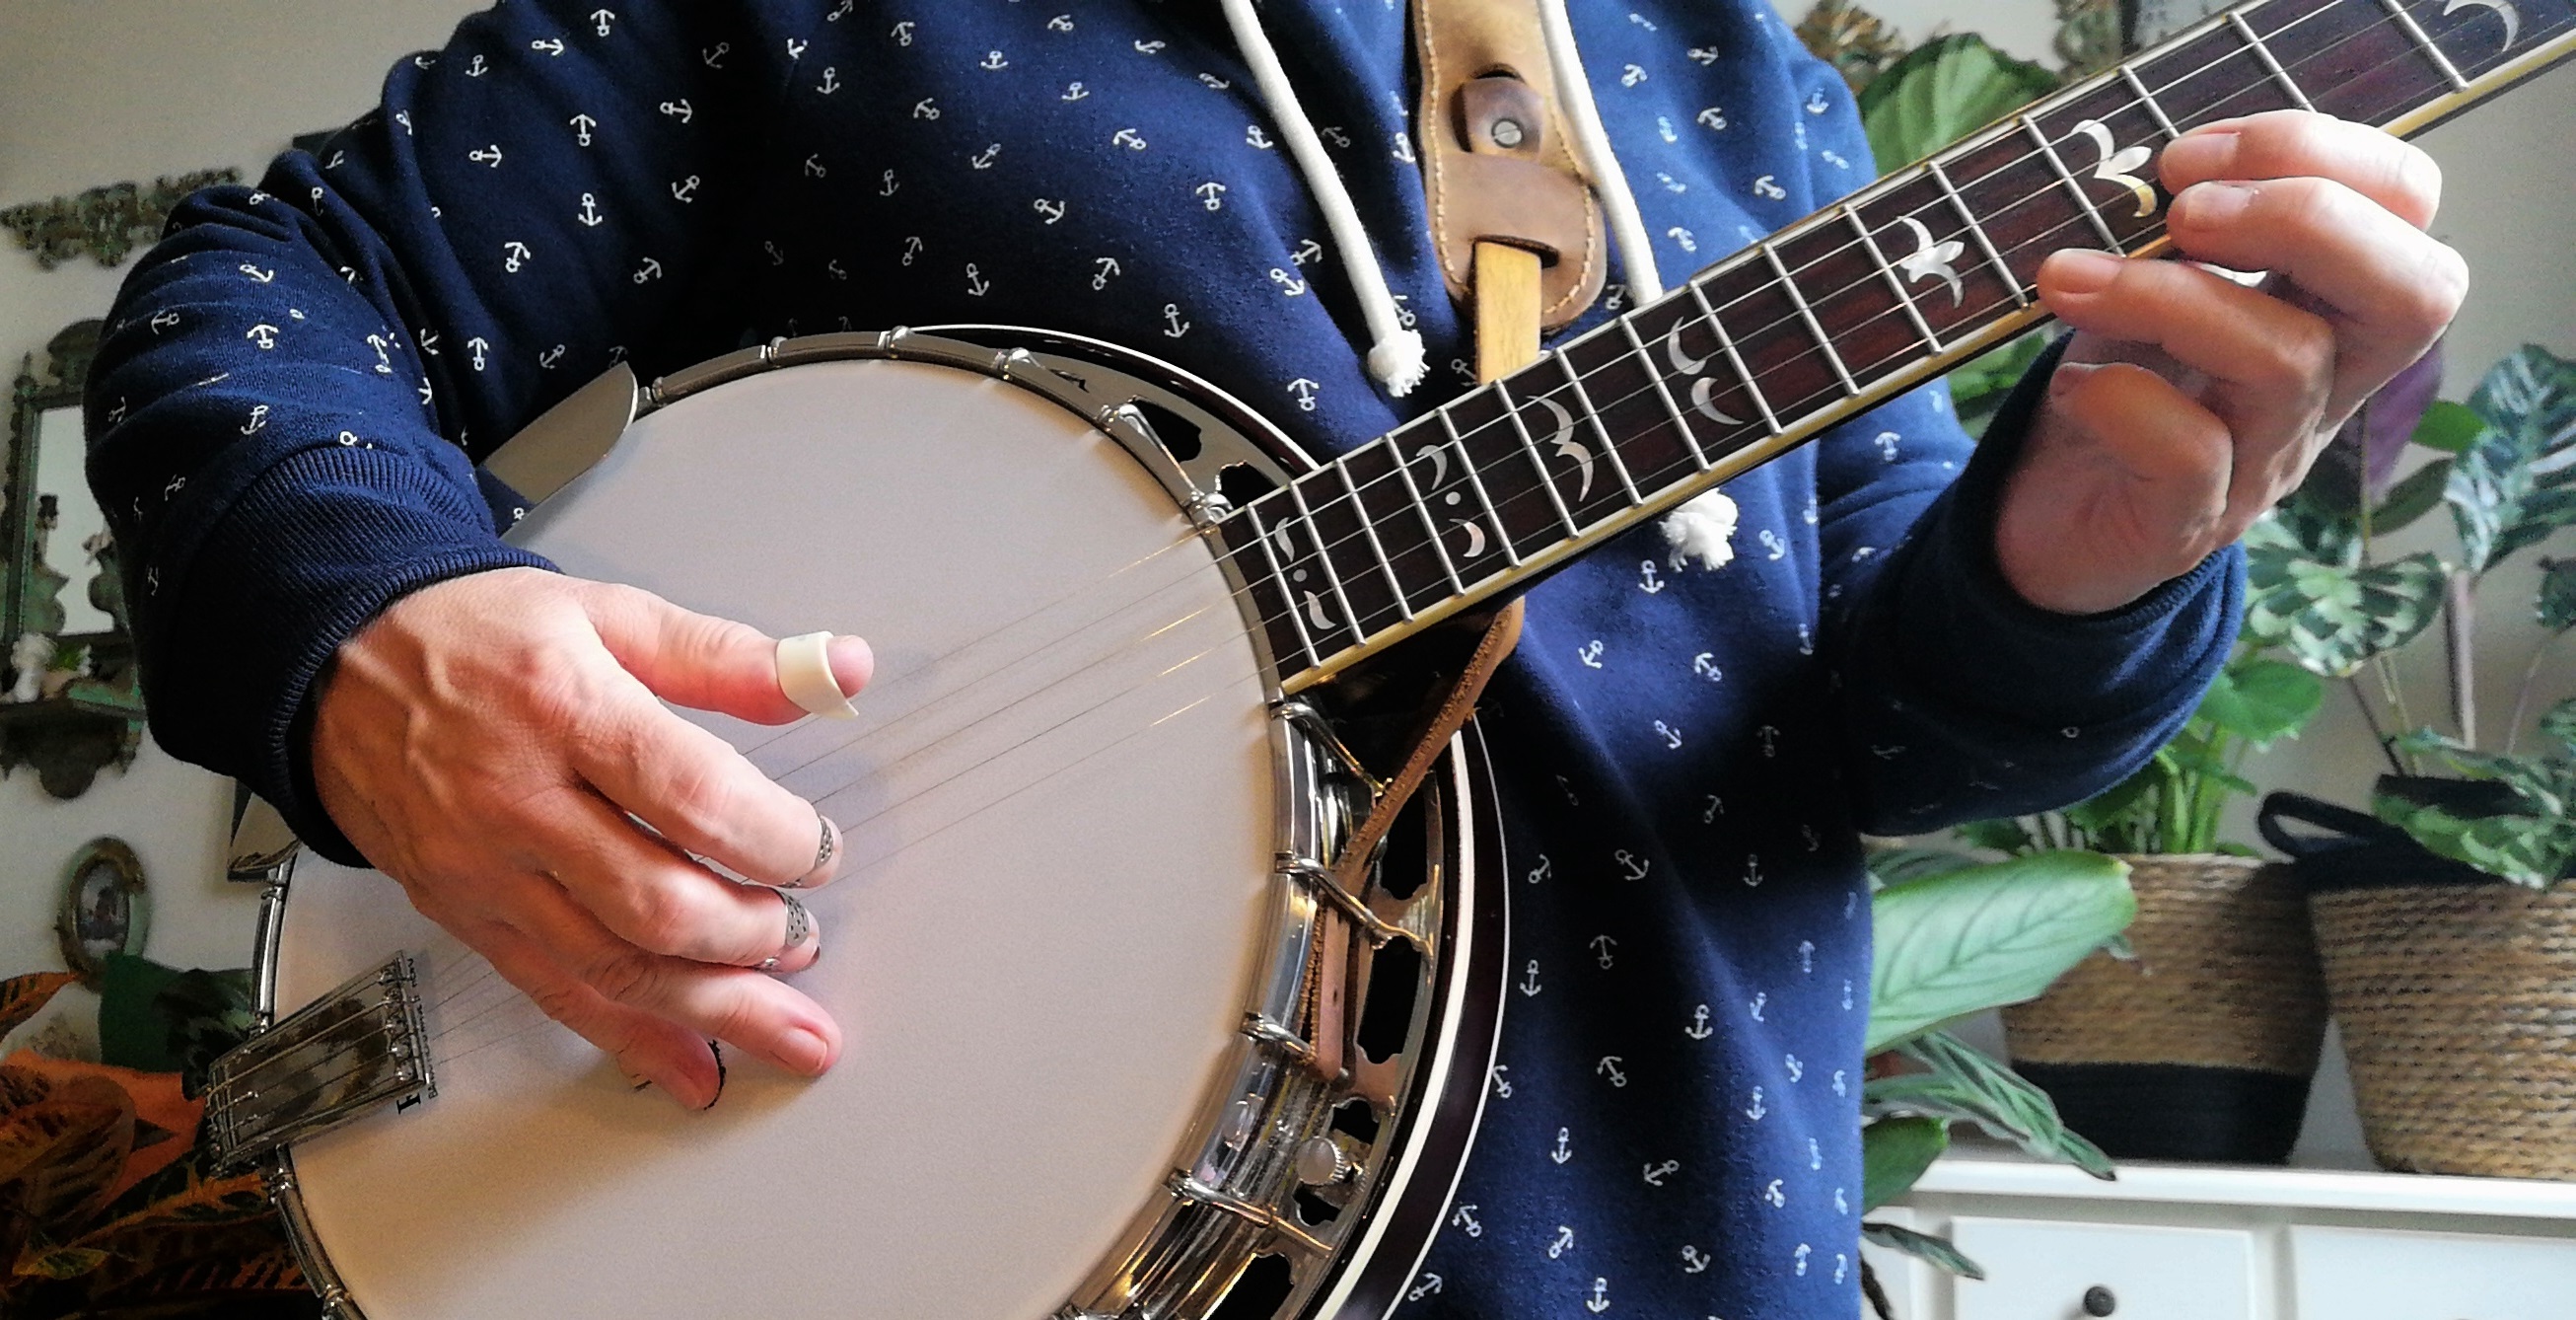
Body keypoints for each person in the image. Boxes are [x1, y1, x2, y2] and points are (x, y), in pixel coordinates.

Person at [89, 1, 2460, 1314]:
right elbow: (270, 283)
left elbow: (1879, 723)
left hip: (1670, 1253)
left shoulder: (1750, 83)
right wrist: (381, 636)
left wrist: (2111, 536)